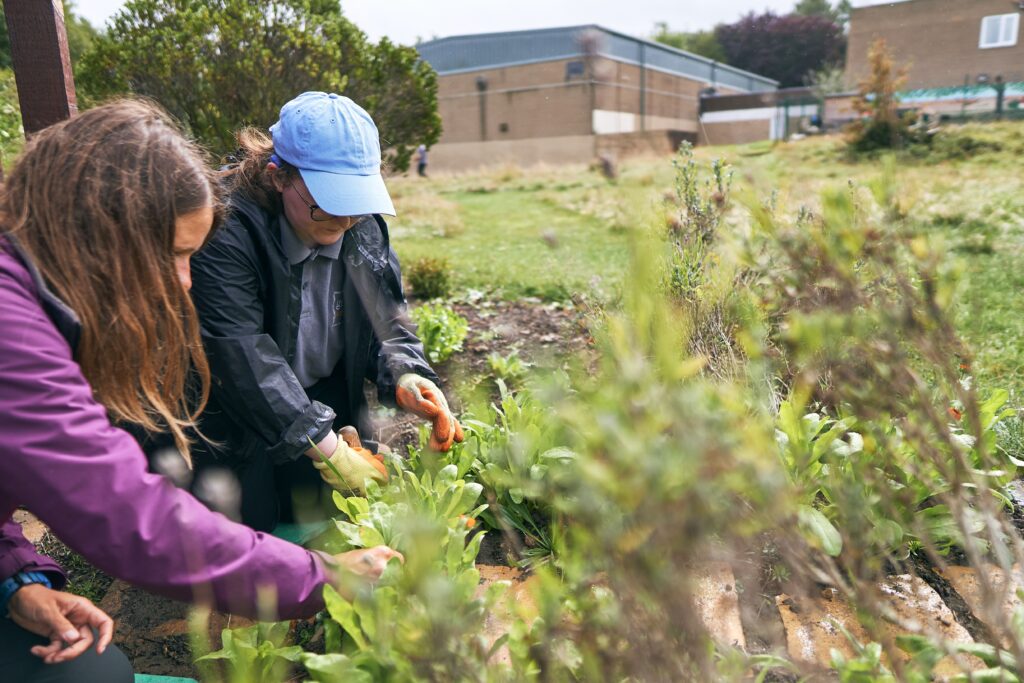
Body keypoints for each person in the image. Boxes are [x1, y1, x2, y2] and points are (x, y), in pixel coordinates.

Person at [0, 99, 402, 683]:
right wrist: (323, 576)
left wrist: (17, 578)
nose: (187, 281)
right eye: (175, 255)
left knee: (93, 668)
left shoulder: (35, 294)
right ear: (101, 233)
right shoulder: (13, 333)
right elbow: (126, 514)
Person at [189, 92, 462, 533]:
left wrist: (408, 374)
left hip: (321, 402)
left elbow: (387, 321)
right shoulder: (223, 228)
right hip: (234, 415)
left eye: (355, 205)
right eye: (326, 206)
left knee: (326, 518)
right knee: (246, 526)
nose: (343, 225)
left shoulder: (360, 224)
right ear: (278, 178)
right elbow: (239, 352)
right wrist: (326, 448)